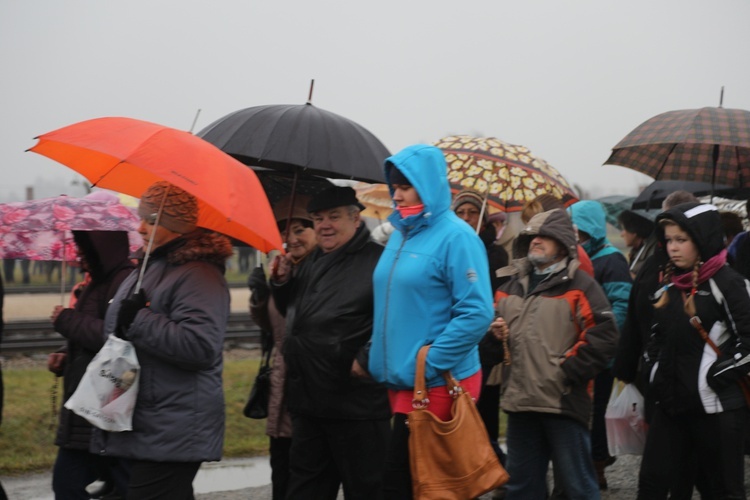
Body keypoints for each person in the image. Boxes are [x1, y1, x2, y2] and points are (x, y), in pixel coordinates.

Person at [366, 145, 494, 499]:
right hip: (405, 381)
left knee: (420, 486)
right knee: (416, 485)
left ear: (428, 185)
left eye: (406, 185)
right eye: (394, 186)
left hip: (436, 384)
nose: (397, 193)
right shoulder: (402, 233)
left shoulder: (457, 236)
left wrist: (431, 363)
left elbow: (477, 313)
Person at [91, 181, 234, 499]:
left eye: (152, 220)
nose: (141, 227)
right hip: (148, 417)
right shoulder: (153, 265)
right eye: (142, 217)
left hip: (175, 424)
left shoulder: (199, 274)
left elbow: (200, 347)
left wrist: (139, 319)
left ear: (177, 225)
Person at [270, 185, 390, 500]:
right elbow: (296, 316)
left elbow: (393, 322)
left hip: (355, 404)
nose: (324, 225)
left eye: (333, 217)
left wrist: (365, 359)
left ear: (356, 219)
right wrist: (282, 283)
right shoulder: (311, 261)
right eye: (318, 218)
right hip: (309, 400)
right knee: (307, 487)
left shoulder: (379, 262)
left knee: (366, 488)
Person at [489, 208, 618, 500]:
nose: (536, 241)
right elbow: (491, 344)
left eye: (544, 236)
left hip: (562, 404)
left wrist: (566, 371)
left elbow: (605, 336)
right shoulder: (508, 287)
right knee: (522, 490)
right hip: (519, 405)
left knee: (578, 488)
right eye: (532, 236)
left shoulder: (582, 286)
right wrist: (494, 337)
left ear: (562, 243)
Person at [640, 202, 750, 498]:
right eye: (669, 240)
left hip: (716, 411)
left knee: (723, 491)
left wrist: (717, 375)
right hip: (671, 406)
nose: (673, 248)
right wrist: (653, 372)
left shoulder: (729, 283)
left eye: (682, 240)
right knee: (651, 486)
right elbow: (656, 336)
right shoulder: (669, 283)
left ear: (702, 239)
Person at [47, 230, 135, 500]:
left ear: (103, 250)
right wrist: (65, 352)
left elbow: (114, 337)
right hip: (90, 407)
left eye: (86, 251)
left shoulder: (121, 282)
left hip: (101, 405)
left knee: (68, 484)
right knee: (120, 486)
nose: (80, 256)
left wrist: (67, 320)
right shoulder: (97, 282)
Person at [248, 195, 317, 500]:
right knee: (281, 465)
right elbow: (272, 326)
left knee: (304, 471)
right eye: (285, 232)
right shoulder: (283, 268)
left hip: (308, 383)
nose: (291, 238)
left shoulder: (320, 273)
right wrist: (261, 294)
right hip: (281, 381)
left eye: (300, 230)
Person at [568, 200, 632, 490]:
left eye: (580, 232)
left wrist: (600, 339)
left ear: (592, 230)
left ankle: (597, 468)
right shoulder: (575, 258)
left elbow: (621, 305)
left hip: (601, 353)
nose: (576, 237)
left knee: (597, 413)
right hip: (578, 349)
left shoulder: (611, 259)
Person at [520, 194, 594, 276]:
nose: (530, 230)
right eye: (529, 224)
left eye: (537, 224)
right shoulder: (533, 252)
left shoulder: (577, 258)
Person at [617, 210, 657, 278]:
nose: (622, 234)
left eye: (623, 229)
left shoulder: (653, 251)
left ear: (634, 230)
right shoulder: (637, 250)